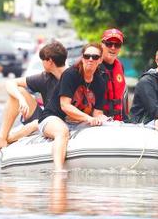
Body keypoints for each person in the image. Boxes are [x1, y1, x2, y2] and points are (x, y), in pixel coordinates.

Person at [0, 41, 68, 152]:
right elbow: (10, 83)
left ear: (49, 61)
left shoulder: (72, 77)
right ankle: (1, 138)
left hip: (60, 121)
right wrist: (21, 100)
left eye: (42, 60)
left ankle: (6, 140)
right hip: (46, 117)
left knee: (35, 124)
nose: (41, 63)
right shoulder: (45, 77)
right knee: (19, 92)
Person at [38, 43, 109, 172]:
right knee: (62, 132)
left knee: (105, 128)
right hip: (53, 117)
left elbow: (97, 112)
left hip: (78, 122)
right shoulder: (71, 74)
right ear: (82, 58)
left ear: (100, 60)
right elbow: (65, 106)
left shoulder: (100, 81)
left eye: (95, 57)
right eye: (87, 56)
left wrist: (100, 118)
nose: (90, 59)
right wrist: (88, 118)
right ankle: (59, 171)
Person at [99, 28, 128, 120]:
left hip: (118, 122)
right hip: (97, 121)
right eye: (109, 44)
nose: (113, 47)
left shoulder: (120, 67)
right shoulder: (94, 65)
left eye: (117, 45)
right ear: (101, 45)